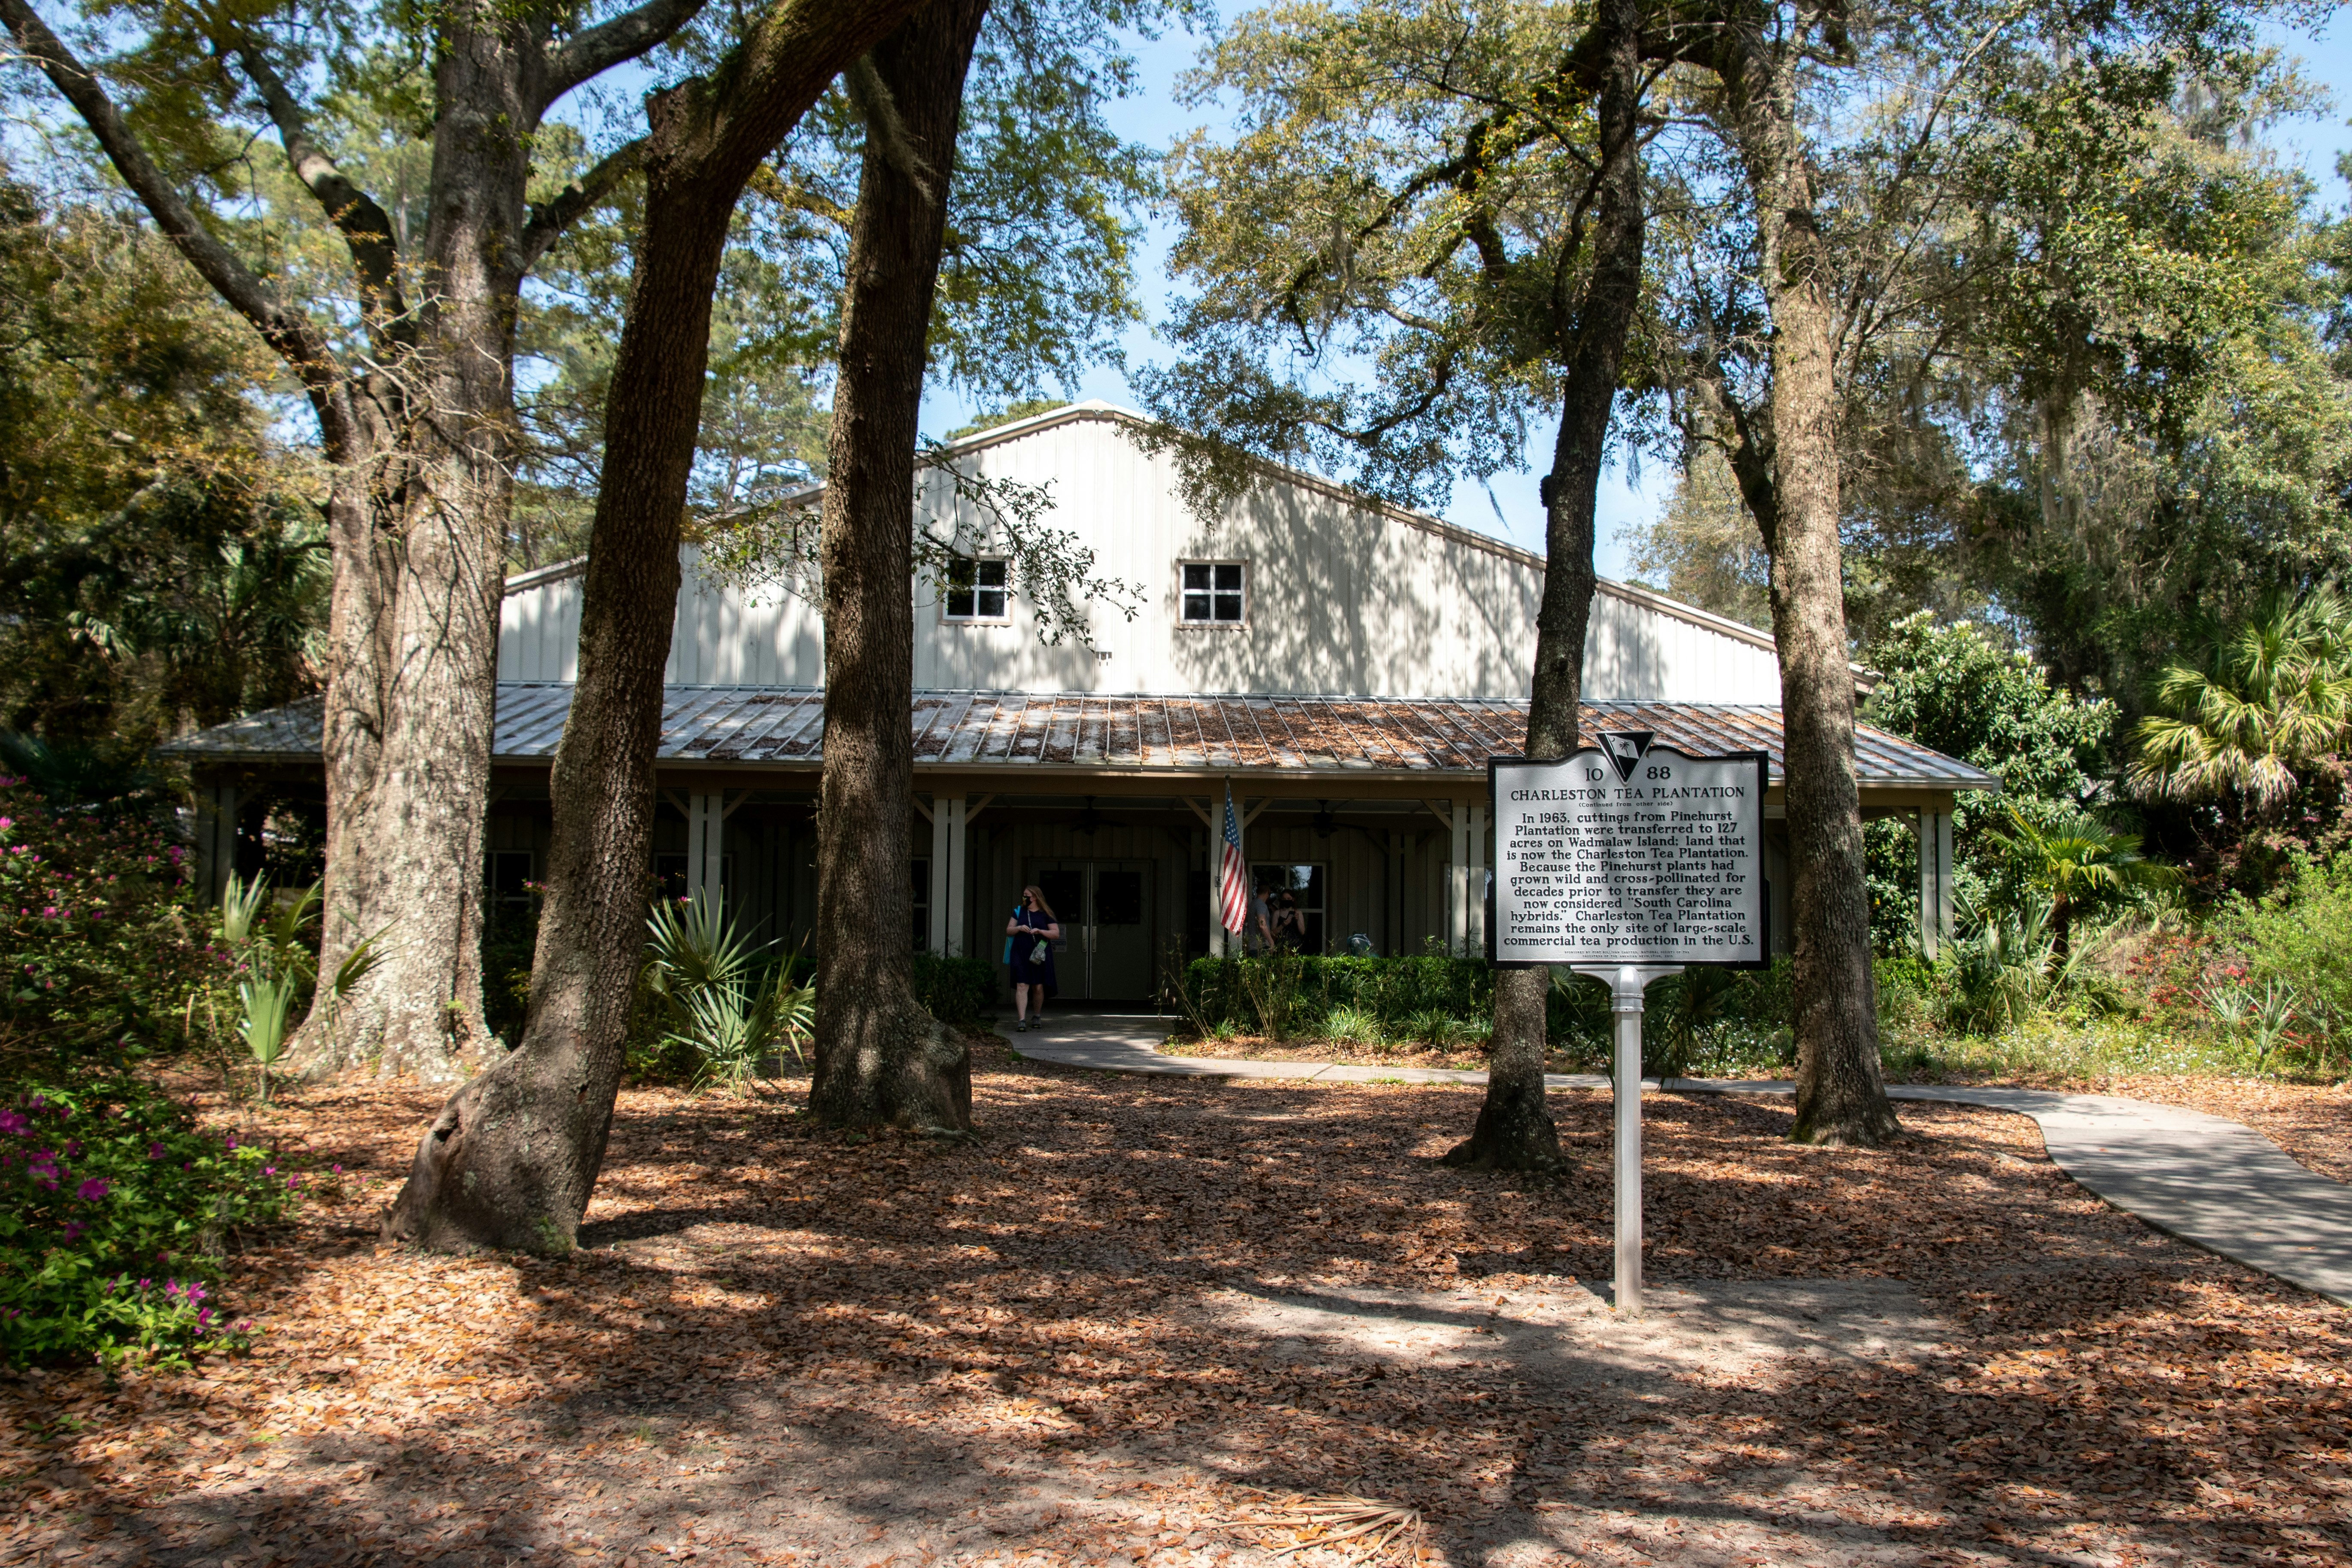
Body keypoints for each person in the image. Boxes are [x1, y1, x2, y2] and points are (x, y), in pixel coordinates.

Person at [1005, 885, 1061, 1031]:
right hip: (1021, 953)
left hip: (1039, 954)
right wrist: (1018, 928)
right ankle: (1022, 1020)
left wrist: (1041, 931)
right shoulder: (1019, 911)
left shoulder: (1046, 913)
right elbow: (1009, 930)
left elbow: (1055, 933)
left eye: (1026, 895)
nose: (1024, 897)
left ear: (1035, 898)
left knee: (1038, 986)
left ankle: (1037, 1015)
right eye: (1023, 895)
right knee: (1022, 985)